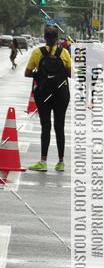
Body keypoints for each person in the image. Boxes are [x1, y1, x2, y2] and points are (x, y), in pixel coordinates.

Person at [24, 25, 72, 171]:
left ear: (44, 37)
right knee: (60, 125)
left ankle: (43, 162)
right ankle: (61, 161)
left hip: (43, 93)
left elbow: (27, 73)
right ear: (57, 38)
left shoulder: (37, 52)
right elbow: (70, 73)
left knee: (46, 126)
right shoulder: (64, 52)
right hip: (61, 93)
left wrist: (42, 76)